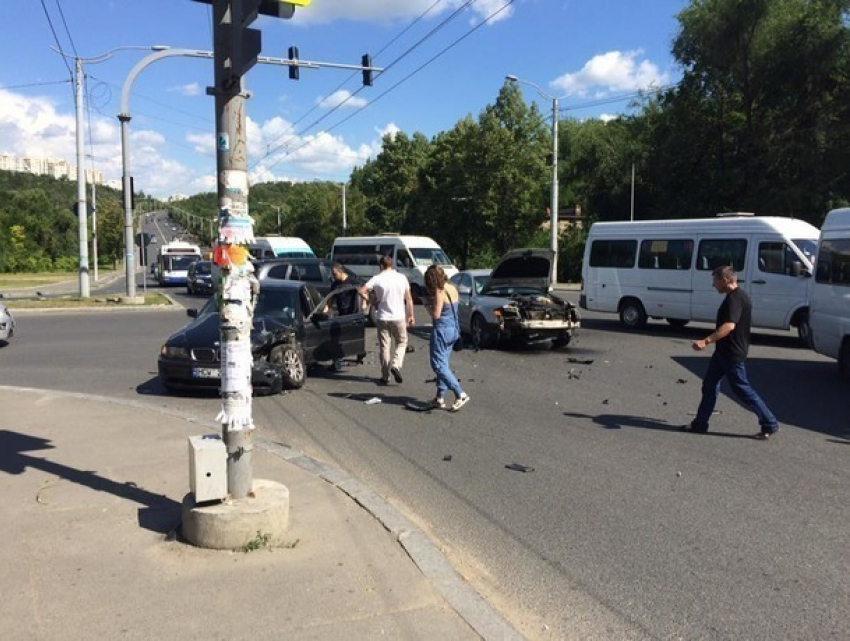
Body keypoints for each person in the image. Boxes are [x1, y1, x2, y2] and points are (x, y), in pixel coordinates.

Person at [683, 265, 780, 440]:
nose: (714, 285)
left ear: (726, 280)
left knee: (742, 390)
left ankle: (770, 423)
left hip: (732, 353)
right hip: (723, 352)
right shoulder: (735, 297)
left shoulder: (735, 299)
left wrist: (706, 341)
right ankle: (700, 424)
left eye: (715, 281)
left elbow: (729, 325)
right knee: (710, 386)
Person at [359, 255, 415, 385]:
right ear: (392, 265)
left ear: (381, 266)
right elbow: (409, 299)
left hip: (382, 317)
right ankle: (396, 365)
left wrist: (371, 300)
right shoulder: (402, 278)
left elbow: (361, 291)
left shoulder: (376, 279)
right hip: (398, 317)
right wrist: (411, 315)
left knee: (385, 347)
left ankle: (385, 376)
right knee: (401, 342)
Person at [423, 265, 470, 411]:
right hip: (453, 330)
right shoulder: (452, 288)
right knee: (443, 363)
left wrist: (426, 304)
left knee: (438, 365)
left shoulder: (439, 292)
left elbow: (436, 314)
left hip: (442, 331)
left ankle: (460, 393)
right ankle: (439, 397)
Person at [325, 262, 363, 370]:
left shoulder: (352, 281)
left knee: (354, 337)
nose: (333, 276)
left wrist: (365, 303)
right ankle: (338, 361)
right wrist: (324, 311)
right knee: (339, 339)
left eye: (335, 274)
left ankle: (360, 352)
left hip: (353, 314)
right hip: (342, 316)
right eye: (332, 274)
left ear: (341, 272)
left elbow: (362, 293)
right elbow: (330, 301)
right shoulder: (335, 285)